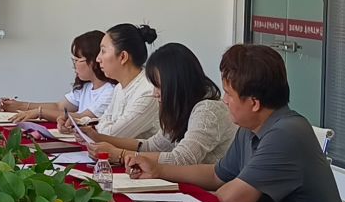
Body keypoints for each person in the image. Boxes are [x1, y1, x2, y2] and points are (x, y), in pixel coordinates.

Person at [128, 43, 342, 202]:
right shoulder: (251, 127)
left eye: (229, 94)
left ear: (254, 103)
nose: (224, 100)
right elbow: (216, 174)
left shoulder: (286, 134)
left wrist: (214, 192)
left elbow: (234, 197)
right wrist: (158, 170)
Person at [84, 42, 234, 171]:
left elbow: (181, 159)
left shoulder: (208, 110)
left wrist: (121, 155)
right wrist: (97, 137)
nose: (154, 93)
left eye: (158, 86)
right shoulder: (183, 106)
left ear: (176, 84)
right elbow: (150, 146)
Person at [0, 31, 117, 121]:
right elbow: (59, 107)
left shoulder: (110, 91)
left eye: (77, 60)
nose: (74, 65)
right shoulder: (87, 87)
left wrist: (40, 112)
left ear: (94, 61)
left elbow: (82, 117)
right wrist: (19, 106)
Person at [82, 22, 162, 139]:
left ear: (123, 57)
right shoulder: (119, 87)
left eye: (103, 51)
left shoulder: (148, 92)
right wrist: (81, 125)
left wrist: (99, 127)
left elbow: (112, 136)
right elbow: (104, 120)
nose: (98, 59)